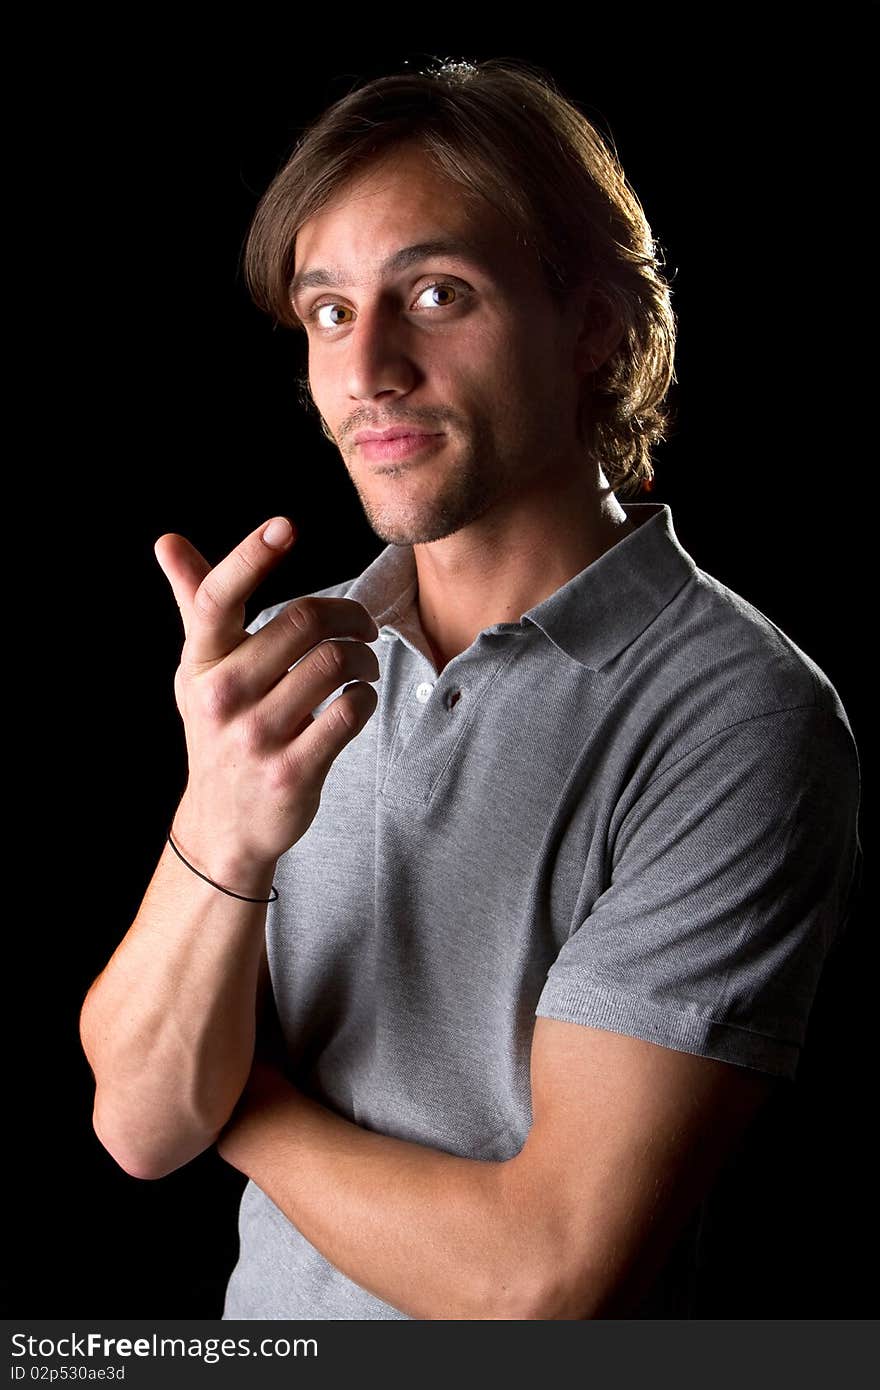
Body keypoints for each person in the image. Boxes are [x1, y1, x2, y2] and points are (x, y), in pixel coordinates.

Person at [79, 58, 862, 1320]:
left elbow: (539, 1274)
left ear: (594, 329)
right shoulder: (294, 652)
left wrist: (249, 1095)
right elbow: (137, 1115)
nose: (368, 367)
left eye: (436, 293)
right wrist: (223, 824)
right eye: (328, 310)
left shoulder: (735, 716)